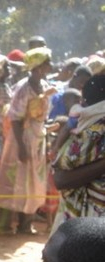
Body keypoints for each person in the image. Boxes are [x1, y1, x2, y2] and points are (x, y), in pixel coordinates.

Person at [0, 48, 55, 235]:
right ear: (38, 66)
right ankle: (4, 225)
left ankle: (25, 224)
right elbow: (15, 119)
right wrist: (21, 146)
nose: (50, 66)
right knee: (13, 179)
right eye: (47, 62)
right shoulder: (23, 88)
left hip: (37, 139)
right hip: (22, 138)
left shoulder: (44, 85)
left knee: (33, 181)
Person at [51, 75, 105, 229]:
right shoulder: (92, 129)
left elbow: (61, 179)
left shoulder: (91, 131)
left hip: (89, 223)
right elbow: (61, 179)